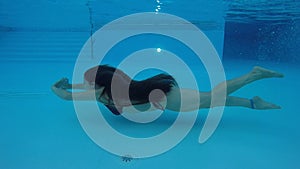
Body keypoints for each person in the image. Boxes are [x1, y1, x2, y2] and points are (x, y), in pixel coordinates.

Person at [51, 65, 284, 115]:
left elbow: (64, 97)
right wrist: (68, 83)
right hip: (163, 95)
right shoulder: (108, 88)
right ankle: (254, 102)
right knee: (213, 101)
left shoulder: (99, 93)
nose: (88, 87)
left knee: (214, 97)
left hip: (167, 98)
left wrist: (56, 87)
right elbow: (78, 88)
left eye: (90, 83)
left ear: (99, 84)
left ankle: (252, 75)